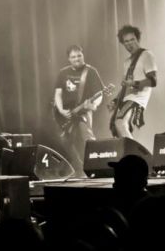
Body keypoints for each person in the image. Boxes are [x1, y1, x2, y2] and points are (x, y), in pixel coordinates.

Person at [54, 45, 104, 173]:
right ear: (68, 59)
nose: (77, 59)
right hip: (67, 112)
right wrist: (61, 110)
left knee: (88, 138)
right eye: (73, 57)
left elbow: (100, 93)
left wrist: (94, 105)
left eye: (79, 56)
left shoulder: (91, 71)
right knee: (65, 140)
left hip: (84, 110)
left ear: (83, 55)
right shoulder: (63, 72)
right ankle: (78, 167)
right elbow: (58, 94)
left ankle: (96, 167)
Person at [109, 25, 158, 139]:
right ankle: (129, 149)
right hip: (127, 98)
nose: (129, 44)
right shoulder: (127, 62)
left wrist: (134, 83)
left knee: (120, 123)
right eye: (126, 41)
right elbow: (125, 87)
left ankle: (134, 151)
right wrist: (115, 100)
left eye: (132, 39)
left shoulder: (146, 55)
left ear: (138, 39)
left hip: (137, 99)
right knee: (118, 130)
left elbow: (153, 81)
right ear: (123, 44)